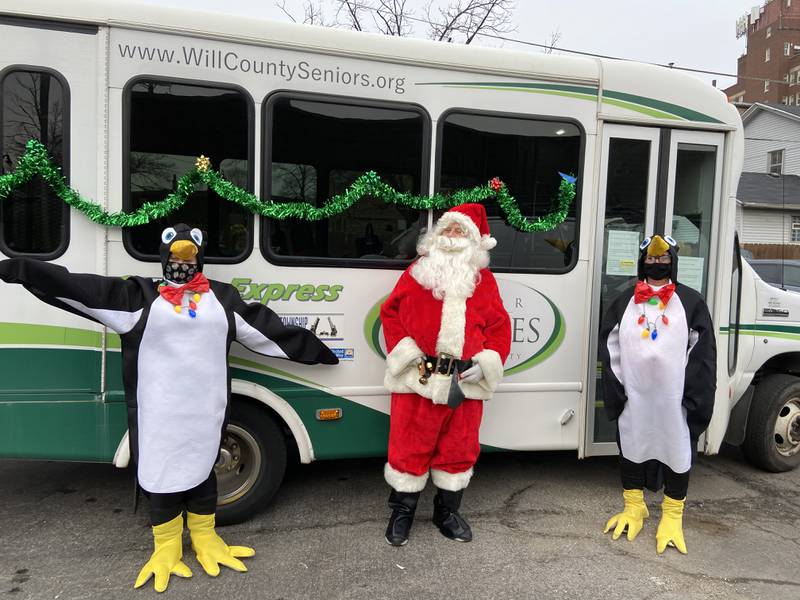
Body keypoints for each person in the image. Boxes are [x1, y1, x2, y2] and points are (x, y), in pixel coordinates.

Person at [0, 223, 338, 591]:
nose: (182, 261)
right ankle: (166, 546)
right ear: (163, 257)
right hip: (158, 415)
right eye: (174, 255)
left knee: (204, 467)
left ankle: (205, 537)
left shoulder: (222, 299)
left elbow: (268, 331)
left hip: (206, 413)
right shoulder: (137, 296)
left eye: (188, 254)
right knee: (161, 476)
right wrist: (20, 268)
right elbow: (76, 287)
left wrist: (321, 353)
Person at [379, 204, 511, 546]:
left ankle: (447, 513)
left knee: (458, 449)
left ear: (475, 242)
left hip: (463, 384)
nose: (452, 237)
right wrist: (406, 354)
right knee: (408, 448)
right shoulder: (416, 272)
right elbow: (390, 313)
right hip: (417, 379)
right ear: (436, 236)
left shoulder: (484, 282)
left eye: (460, 231)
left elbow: (499, 327)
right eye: (448, 230)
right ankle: (402, 513)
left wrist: (487, 363)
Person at [599, 234, 716, 554]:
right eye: (651, 259)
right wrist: (617, 387)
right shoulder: (623, 301)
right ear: (642, 262)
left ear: (673, 262)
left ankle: (673, 516)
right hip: (634, 396)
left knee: (677, 449)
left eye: (664, 259)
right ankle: (634, 506)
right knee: (633, 446)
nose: (657, 263)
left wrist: (692, 397)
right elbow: (609, 346)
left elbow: (702, 352)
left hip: (673, 398)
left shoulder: (691, 302)